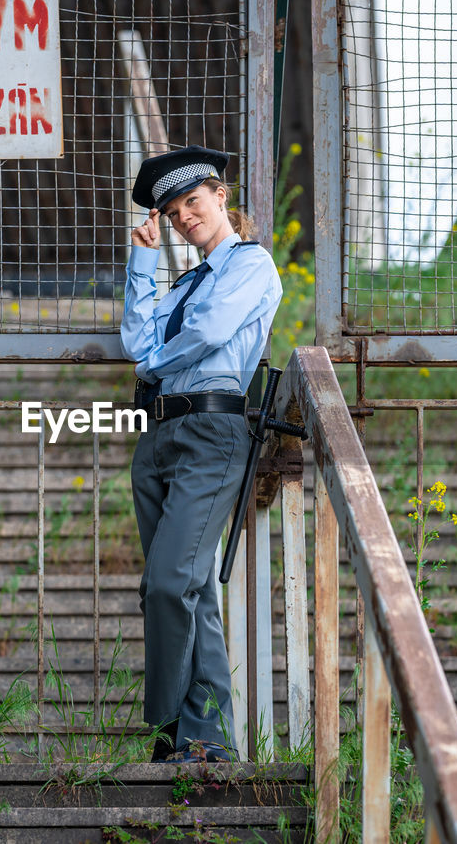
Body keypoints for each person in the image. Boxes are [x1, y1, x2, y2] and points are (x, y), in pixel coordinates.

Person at [120, 145, 282, 763]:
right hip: (157, 440)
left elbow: (209, 334)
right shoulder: (183, 283)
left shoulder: (251, 265)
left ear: (220, 196)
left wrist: (152, 365)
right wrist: (142, 262)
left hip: (212, 435)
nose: (185, 216)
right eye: (173, 210)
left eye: (193, 201)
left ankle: (163, 732)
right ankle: (209, 743)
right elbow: (136, 335)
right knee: (193, 593)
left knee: (167, 584)